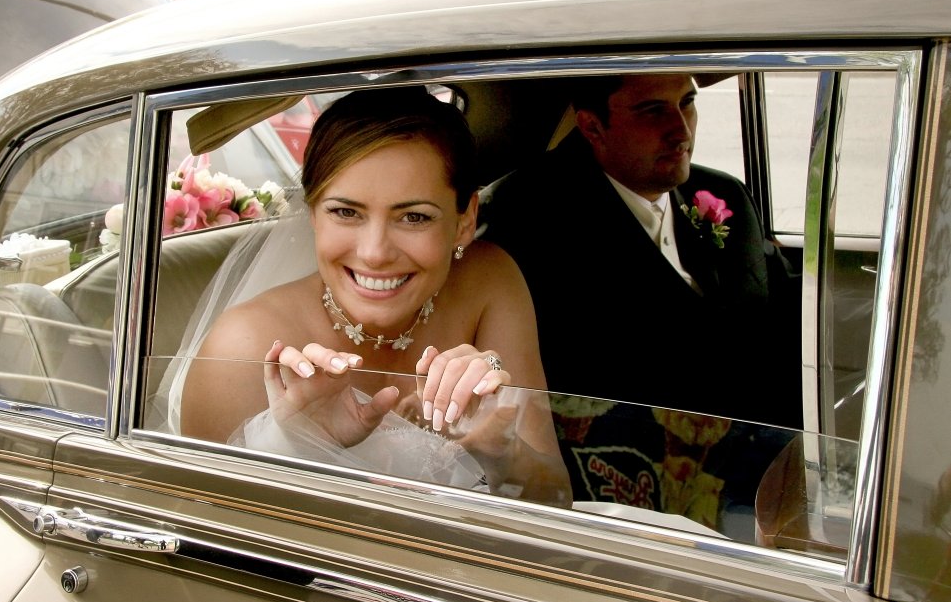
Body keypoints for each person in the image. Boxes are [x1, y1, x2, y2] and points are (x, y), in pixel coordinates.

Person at [179, 86, 572, 508]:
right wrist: (290, 443)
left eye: (414, 217)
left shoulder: (489, 282)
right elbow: (200, 527)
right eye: (346, 212)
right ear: (312, 213)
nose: (375, 253)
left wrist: (503, 452)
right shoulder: (243, 345)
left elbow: (555, 500)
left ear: (464, 220)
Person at [483, 73, 801, 518]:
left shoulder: (724, 194)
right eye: (653, 110)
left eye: (687, 102)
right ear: (592, 126)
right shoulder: (525, 217)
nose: (681, 129)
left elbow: (782, 322)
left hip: (764, 470)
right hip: (630, 491)